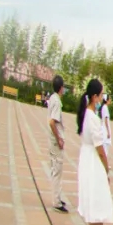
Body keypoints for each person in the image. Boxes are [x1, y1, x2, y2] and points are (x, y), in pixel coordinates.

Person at [76, 79, 113, 225]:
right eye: (101, 95)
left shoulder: (85, 115)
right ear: (94, 97)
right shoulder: (93, 118)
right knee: (97, 212)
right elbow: (100, 149)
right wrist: (106, 168)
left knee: (92, 213)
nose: (102, 98)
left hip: (86, 161)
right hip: (94, 164)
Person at [47, 75, 67, 213]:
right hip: (55, 142)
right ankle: (56, 201)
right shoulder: (57, 102)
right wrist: (59, 138)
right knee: (57, 170)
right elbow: (52, 122)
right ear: (61, 88)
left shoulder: (53, 98)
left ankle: (57, 196)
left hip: (52, 140)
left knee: (56, 169)